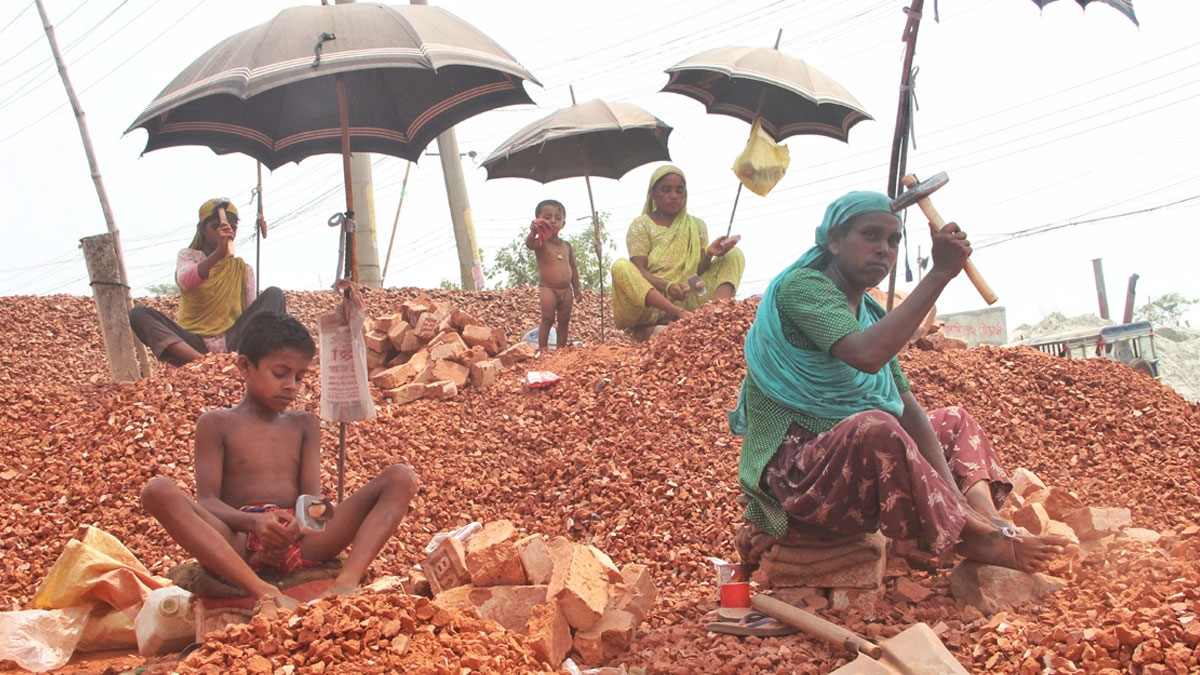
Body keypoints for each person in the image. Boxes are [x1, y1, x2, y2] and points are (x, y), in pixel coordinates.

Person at [729, 191, 1068, 572]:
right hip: (799, 473)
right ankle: (973, 536)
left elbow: (905, 404)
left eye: (893, 241)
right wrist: (939, 274)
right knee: (876, 428)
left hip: (850, 461)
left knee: (952, 421)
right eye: (870, 235)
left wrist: (958, 497)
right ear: (834, 241)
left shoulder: (871, 313)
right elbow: (867, 355)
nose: (883, 250)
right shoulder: (804, 288)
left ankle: (985, 520)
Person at [140, 311, 418, 616]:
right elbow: (208, 502)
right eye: (280, 373)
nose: (291, 386)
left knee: (401, 477)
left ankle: (347, 583)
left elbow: (313, 503)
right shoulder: (216, 423)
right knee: (158, 491)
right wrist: (255, 524)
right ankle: (263, 590)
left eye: (299, 377)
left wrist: (296, 527)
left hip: (300, 538)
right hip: (238, 538)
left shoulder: (304, 424)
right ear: (244, 366)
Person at [129, 198, 286, 367]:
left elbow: (251, 312)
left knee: (274, 295)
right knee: (138, 314)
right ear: (202, 230)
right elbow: (186, 281)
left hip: (234, 342)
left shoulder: (242, 269)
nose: (225, 232)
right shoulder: (189, 257)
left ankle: (253, 360)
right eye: (215, 227)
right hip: (194, 342)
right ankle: (201, 362)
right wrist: (219, 252)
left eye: (232, 227)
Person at [610, 165, 745, 340]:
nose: (674, 196)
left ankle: (716, 316)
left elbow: (696, 274)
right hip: (653, 301)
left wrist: (709, 253)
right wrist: (667, 287)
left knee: (735, 255)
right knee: (620, 266)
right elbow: (639, 272)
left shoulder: (696, 225)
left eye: (679, 191)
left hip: (688, 296)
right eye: (666, 190)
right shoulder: (641, 225)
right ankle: (656, 325)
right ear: (652, 194)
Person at [525, 199, 582, 351]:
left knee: (564, 320)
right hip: (548, 288)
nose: (553, 221)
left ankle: (561, 349)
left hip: (566, 289)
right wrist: (533, 232)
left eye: (557, 218)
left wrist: (577, 288)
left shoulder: (567, 246)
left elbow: (573, 268)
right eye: (548, 217)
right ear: (539, 221)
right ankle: (543, 349)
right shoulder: (541, 243)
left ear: (563, 223)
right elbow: (530, 244)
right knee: (547, 318)